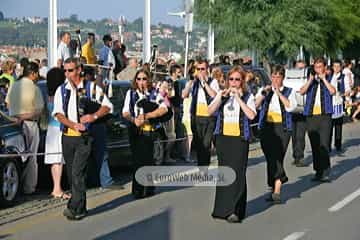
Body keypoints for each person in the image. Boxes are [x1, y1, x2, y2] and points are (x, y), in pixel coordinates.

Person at [53, 57, 113, 220]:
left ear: (79, 70)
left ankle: (75, 208)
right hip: (67, 137)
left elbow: (107, 106)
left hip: (84, 138)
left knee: (77, 172)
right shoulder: (62, 90)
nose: (67, 74)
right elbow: (58, 114)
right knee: (73, 175)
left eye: (70, 70)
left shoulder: (90, 87)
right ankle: (81, 206)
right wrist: (73, 124)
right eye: (65, 70)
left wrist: (93, 116)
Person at [208, 66, 256, 223]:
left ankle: (236, 210)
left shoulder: (249, 96)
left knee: (238, 174)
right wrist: (222, 98)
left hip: (239, 139)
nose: (234, 82)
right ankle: (222, 209)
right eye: (231, 79)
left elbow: (251, 115)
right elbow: (209, 111)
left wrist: (239, 99)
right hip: (223, 139)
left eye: (237, 80)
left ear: (242, 82)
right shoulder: (222, 94)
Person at [122, 69, 168, 199]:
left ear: (148, 80)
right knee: (137, 160)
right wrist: (134, 120)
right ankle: (138, 190)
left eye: (144, 79)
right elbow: (125, 112)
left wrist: (148, 115)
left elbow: (164, 108)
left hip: (150, 130)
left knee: (148, 160)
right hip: (136, 130)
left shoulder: (154, 94)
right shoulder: (130, 94)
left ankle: (148, 188)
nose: (141, 82)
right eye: (139, 79)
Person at [256, 65, 297, 203]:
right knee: (269, 158)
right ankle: (273, 186)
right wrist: (264, 93)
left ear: (283, 78)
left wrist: (279, 93)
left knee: (278, 156)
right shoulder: (264, 91)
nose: (275, 79)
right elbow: (255, 105)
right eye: (273, 76)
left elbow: (291, 106)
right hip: (267, 126)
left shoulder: (289, 91)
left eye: (278, 77)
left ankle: (277, 191)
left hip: (283, 128)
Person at [5, 62, 44, 195]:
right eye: (37, 73)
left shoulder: (13, 85)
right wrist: (23, 116)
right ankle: (29, 188)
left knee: (16, 157)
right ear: (33, 73)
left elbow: (7, 102)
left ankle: (18, 186)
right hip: (29, 124)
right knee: (31, 157)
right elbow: (38, 111)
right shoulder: (35, 88)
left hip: (12, 123)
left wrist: (15, 114)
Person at [299, 57, 336, 182]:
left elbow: (333, 91)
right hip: (311, 116)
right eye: (316, 67)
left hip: (325, 116)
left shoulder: (330, 78)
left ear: (325, 67)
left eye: (320, 67)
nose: (318, 69)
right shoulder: (311, 80)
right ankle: (318, 171)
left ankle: (325, 170)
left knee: (324, 144)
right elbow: (302, 91)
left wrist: (324, 79)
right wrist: (310, 80)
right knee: (315, 144)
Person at [182, 59, 220, 168]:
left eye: (202, 69)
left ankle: (205, 168)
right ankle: (201, 168)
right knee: (199, 144)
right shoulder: (194, 83)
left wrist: (204, 83)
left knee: (206, 144)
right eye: (198, 69)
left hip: (209, 117)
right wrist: (190, 82)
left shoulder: (213, 82)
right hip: (196, 116)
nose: (200, 71)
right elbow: (184, 95)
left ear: (207, 70)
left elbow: (213, 95)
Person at [44, 67, 70, 199]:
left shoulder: (48, 95)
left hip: (50, 129)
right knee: (59, 160)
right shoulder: (61, 95)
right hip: (59, 129)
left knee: (54, 160)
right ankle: (57, 188)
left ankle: (56, 187)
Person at [291, 60, 308, 167]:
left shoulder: (307, 79)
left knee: (300, 135)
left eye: (302, 68)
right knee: (293, 135)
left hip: (302, 110)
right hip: (292, 111)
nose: (300, 70)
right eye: (298, 68)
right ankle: (296, 156)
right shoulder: (290, 79)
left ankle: (300, 156)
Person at [329, 60, 346, 152]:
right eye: (334, 66)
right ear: (332, 67)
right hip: (330, 103)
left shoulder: (343, 77)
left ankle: (338, 144)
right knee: (329, 126)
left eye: (338, 66)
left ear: (341, 67)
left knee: (338, 126)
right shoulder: (329, 77)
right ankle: (328, 145)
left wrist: (345, 93)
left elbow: (346, 89)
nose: (336, 68)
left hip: (338, 103)